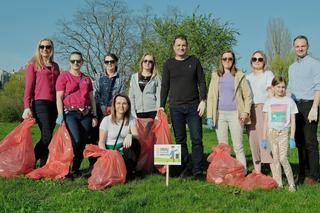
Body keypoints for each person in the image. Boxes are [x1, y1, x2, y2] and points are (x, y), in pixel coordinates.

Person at [160, 34, 206, 178]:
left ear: (187, 46)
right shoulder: (168, 64)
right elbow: (165, 85)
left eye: (183, 45)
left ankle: (198, 169)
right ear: (174, 47)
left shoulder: (195, 61)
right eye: (178, 45)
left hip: (194, 107)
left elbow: (202, 82)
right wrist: (161, 106)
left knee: (197, 139)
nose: (181, 47)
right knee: (180, 140)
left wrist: (203, 100)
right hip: (176, 107)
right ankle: (185, 168)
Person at [207, 50, 252, 172]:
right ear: (221, 61)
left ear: (233, 61)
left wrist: (245, 112)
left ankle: (242, 172)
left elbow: (248, 96)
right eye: (224, 59)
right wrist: (210, 116)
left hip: (235, 115)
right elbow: (211, 97)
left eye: (230, 59)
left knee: (238, 146)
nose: (227, 61)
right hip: (220, 115)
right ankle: (225, 172)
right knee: (223, 148)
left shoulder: (239, 75)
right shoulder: (215, 75)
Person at [55, 51, 98, 177]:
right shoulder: (63, 77)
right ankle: (66, 168)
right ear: (69, 62)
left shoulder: (86, 79)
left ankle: (75, 169)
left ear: (82, 62)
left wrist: (94, 115)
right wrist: (60, 115)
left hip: (85, 113)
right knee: (75, 140)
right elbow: (59, 97)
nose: (76, 63)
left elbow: (91, 98)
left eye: (78, 61)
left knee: (83, 142)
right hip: (70, 113)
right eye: (73, 61)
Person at [287, 35, 320, 185]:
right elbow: (290, 88)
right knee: (300, 141)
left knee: (310, 141)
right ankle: (303, 173)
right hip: (295, 106)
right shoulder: (291, 68)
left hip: (309, 105)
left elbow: (318, 87)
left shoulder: (315, 64)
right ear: (294, 48)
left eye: (303, 46)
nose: (300, 48)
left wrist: (314, 107)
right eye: (297, 46)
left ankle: (313, 175)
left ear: (307, 47)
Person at [22, 38, 60, 167]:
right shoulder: (33, 65)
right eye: (42, 47)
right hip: (40, 104)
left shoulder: (55, 66)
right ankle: (31, 161)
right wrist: (27, 106)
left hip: (54, 105)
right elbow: (29, 87)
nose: (45, 49)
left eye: (48, 47)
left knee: (48, 136)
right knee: (47, 135)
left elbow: (59, 88)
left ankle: (44, 165)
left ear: (51, 49)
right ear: (38, 49)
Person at [261, 76, 297, 192]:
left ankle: (291, 184)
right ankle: (279, 183)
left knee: (283, 158)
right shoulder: (269, 102)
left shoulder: (289, 101)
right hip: (272, 133)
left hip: (284, 133)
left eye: (283, 87)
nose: (281, 89)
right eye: (278, 87)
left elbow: (293, 120)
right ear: (273, 87)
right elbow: (265, 121)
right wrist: (264, 138)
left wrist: (292, 137)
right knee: (275, 159)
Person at [98, 94, 141, 180]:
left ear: (128, 106)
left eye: (124, 103)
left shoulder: (131, 119)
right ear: (114, 105)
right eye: (118, 103)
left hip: (123, 151)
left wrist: (130, 135)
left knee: (135, 143)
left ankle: (130, 170)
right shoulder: (106, 120)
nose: (121, 106)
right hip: (110, 152)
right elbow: (101, 142)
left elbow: (137, 136)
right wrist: (106, 155)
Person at [246, 50, 274, 173]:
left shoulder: (268, 74)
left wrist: (269, 109)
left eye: (260, 59)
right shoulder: (247, 77)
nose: (257, 61)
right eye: (254, 59)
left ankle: (275, 172)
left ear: (264, 62)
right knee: (253, 140)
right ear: (251, 62)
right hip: (250, 109)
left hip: (264, 108)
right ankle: (258, 172)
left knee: (266, 139)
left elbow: (271, 92)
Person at [129, 53, 161, 119]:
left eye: (150, 61)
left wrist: (158, 114)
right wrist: (132, 113)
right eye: (145, 61)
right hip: (138, 112)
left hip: (153, 112)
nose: (147, 63)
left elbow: (159, 96)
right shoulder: (134, 77)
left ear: (153, 64)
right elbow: (131, 96)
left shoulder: (156, 78)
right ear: (142, 62)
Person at [95, 53, 126, 118]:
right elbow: (96, 93)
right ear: (104, 64)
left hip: (115, 110)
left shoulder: (121, 77)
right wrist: (102, 107)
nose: (109, 63)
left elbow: (121, 94)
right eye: (107, 62)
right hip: (99, 110)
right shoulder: (99, 76)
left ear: (116, 63)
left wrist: (114, 106)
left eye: (112, 61)